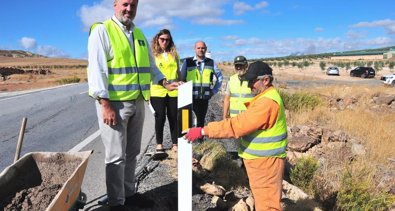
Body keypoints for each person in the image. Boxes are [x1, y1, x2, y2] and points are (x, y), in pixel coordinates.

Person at [87, 0, 178, 210]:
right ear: (115, 4)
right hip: (114, 105)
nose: (129, 9)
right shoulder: (102, 31)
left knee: (131, 153)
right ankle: (116, 202)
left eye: (133, 5)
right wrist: (105, 104)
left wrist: (165, 82)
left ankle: (129, 194)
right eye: (125, 4)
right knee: (116, 156)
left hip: (137, 102)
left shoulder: (139, 35)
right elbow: (97, 71)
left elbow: (151, 67)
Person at [185, 61, 288, 211]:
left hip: (266, 164)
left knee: (268, 205)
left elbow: (237, 126)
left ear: (265, 80)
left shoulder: (267, 102)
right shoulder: (265, 96)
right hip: (261, 162)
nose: (249, 85)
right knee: (262, 201)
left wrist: (203, 131)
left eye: (253, 81)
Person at [150, 29, 182, 152]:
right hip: (157, 91)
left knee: (174, 117)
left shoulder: (174, 54)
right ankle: (159, 144)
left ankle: (175, 144)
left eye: (167, 39)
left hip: (174, 91)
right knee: (160, 117)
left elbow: (178, 72)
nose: (165, 42)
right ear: (157, 40)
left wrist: (181, 81)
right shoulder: (152, 55)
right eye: (162, 39)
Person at [180, 41, 223, 128]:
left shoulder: (211, 62)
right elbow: (181, 78)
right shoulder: (187, 62)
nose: (201, 50)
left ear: (206, 49)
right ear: (194, 49)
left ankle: (199, 140)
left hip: (204, 98)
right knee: (187, 120)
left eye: (202, 48)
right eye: (198, 48)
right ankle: (188, 139)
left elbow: (220, 77)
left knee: (201, 120)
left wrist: (213, 91)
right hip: (190, 97)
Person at [223, 55, 254, 119]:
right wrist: (224, 115)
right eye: (236, 66)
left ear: (246, 65)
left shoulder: (252, 80)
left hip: (248, 118)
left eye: (241, 65)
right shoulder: (231, 79)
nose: (238, 67)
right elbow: (227, 99)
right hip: (234, 118)